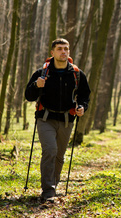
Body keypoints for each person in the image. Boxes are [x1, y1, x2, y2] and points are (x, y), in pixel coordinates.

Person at [25, 38, 91, 202]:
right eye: (60, 49)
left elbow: (84, 95)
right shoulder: (41, 73)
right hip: (45, 118)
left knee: (59, 156)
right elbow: (29, 96)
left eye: (66, 49)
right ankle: (48, 191)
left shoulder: (77, 74)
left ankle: (53, 184)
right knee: (50, 151)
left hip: (67, 120)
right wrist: (36, 85)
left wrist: (82, 107)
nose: (63, 52)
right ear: (52, 52)